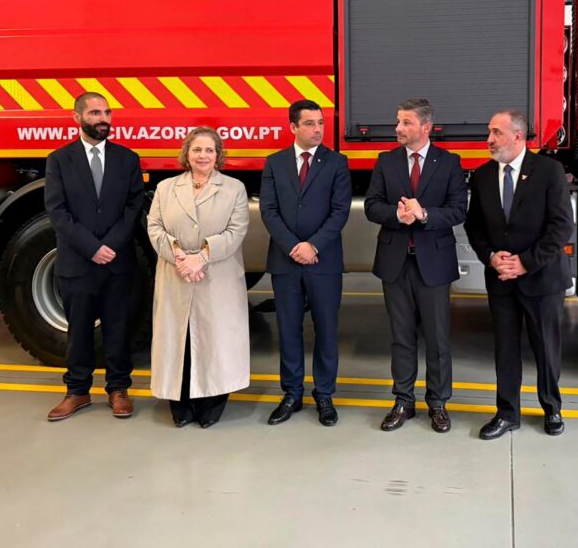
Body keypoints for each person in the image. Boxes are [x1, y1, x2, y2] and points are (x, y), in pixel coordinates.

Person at [464, 110, 574, 440]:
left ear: (517, 136)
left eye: (496, 132)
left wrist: (526, 262)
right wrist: (491, 257)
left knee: (546, 346)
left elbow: (561, 226)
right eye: (489, 132)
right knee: (506, 349)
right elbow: (475, 226)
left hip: (541, 277)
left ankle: (552, 408)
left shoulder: (549, 171)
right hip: (501, 279)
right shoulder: (482, 175)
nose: (489, 139)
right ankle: (506, 412)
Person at [364, 98, 466, 433]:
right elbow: (372, 205)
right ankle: (403, 401)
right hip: (395, 262)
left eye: (406, 122)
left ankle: (437, 402)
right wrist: (397, 213)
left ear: (425, 127)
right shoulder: (386, 161)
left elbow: (457, 211)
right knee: (401, 337)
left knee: (438, 338)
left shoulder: (449, 163)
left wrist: (424, 214)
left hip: (433, 263)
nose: (398, 128)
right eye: (398, 122)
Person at [44, 92, 144, 422]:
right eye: (96, 112)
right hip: (78, 262)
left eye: (107, 112)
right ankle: (77, 391)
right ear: (77, 118)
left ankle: (118, 389)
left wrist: (110, 246)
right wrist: (91, 247)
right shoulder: (58, 160)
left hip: (117, 262)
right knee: (80, 330)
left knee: (118, 328)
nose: (104, 118)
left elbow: (133, 208)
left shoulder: (128, 159)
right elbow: (57, 211)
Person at [147, 127, 250, 428]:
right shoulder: (166, 188)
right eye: (197, 150)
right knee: (179, 337)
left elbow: (236, 231)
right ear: (186, 154)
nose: (203, 155)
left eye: (209, 150)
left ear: (218, 156)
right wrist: (178, 255)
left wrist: (201, 257)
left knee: (213, 338)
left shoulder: (234, 189)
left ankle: (212, 400)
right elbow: (154, 227)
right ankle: (179, 402)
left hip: (215, 273)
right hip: (176, 271)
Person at [260, 100, 351, 427]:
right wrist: (292, 246)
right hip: (286, 262)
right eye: (310, 123)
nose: (317, 129)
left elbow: (340, 211)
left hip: (322, 260)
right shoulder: (274, 163)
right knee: (288, 328)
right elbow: (268, 211)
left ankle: (324, 394)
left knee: (326, 328)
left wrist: (312, 245)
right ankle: (292, 393)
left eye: (321, 123)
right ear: (293, 127)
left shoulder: (337, 162)